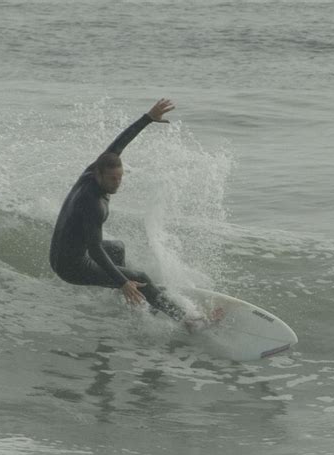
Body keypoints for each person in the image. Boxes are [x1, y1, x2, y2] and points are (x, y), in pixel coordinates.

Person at [49, 99, 220, 329]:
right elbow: (95, 249)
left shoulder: (94, 169)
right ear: (99, 174)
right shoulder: (92, 203)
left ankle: (136, 298)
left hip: (63, 252)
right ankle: (188, 322)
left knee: (118, 248)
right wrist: (124, 281)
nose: (117, 184)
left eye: (120, 177)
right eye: (112, 179)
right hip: (71, 266)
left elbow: (119, 144)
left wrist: (148, 118)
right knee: (139, 277)